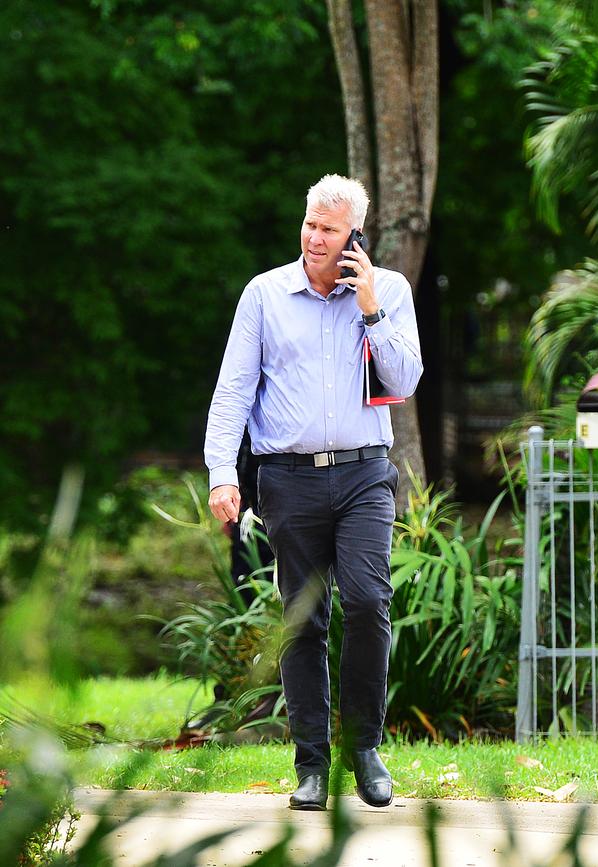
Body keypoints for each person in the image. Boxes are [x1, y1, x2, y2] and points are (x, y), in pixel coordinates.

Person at [205, 174, 423, 810]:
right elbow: (233, 390)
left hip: (363, 473)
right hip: (287, 478)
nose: (314, 238)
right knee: (303, 620)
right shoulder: (265, 295)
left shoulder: (391, 293)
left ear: (354, 234)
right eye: (310, 224)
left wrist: (371, 311)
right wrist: (224, 473)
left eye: (329, 229)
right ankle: (310, 767)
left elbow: (404, 379)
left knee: (367, 599)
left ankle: (365, 748)